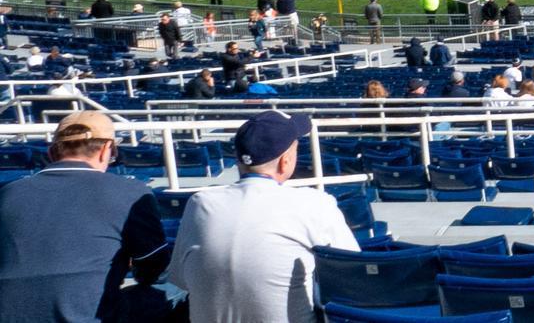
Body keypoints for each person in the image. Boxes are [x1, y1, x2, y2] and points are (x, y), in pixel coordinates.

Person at [166, 111, 356, 322]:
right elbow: (353, 278)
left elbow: (182, 279)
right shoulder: (315, 203)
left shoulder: (200, 203)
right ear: (285, 161)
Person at [0, 112, 170, 323]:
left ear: (52, 152)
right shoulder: (129, 191)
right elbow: (152, 265)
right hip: (88, 316)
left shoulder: (8, 193)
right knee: (161, 297)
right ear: (106, 150)